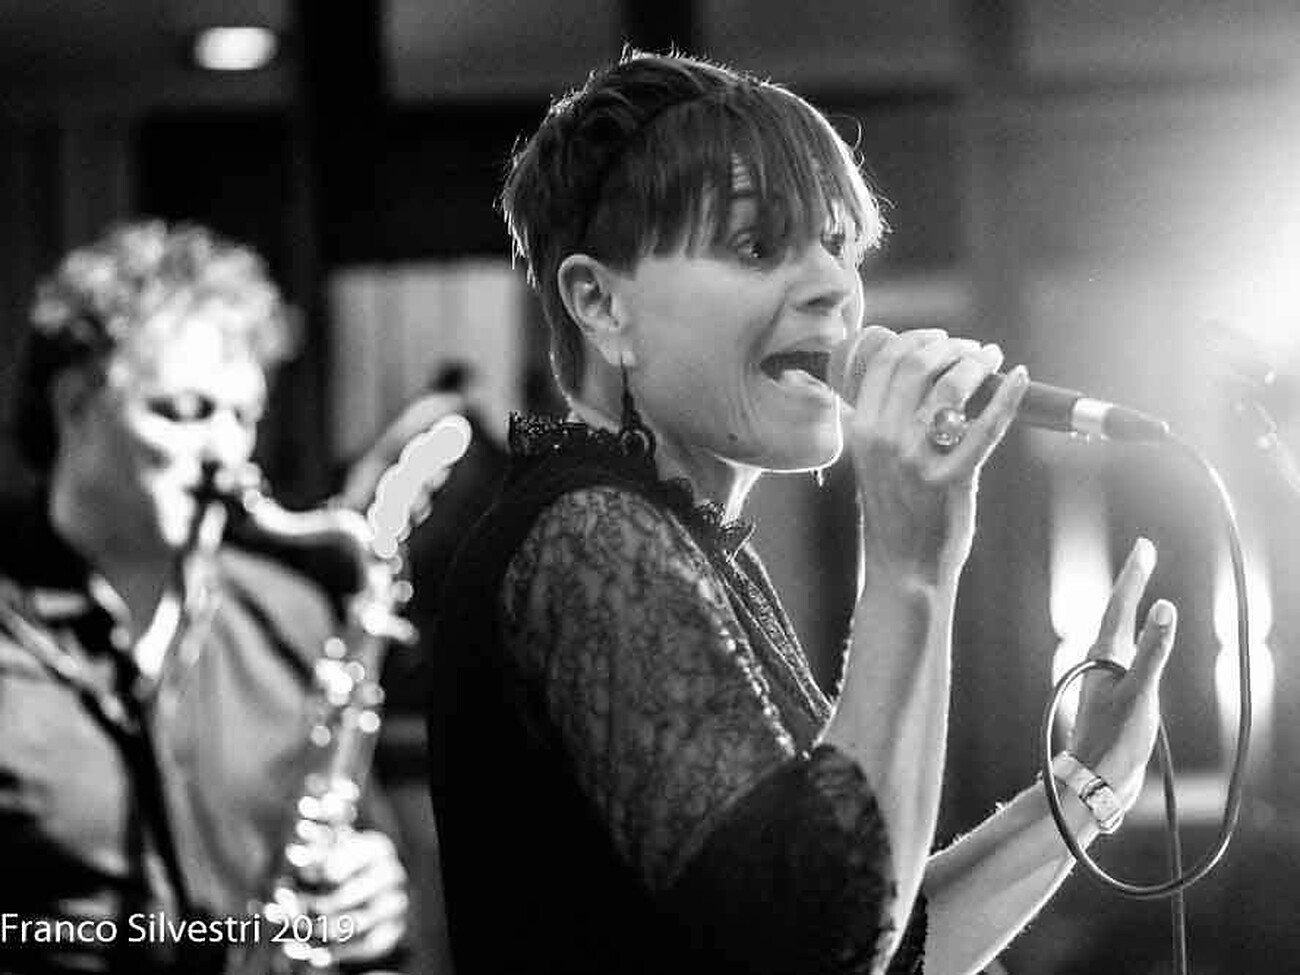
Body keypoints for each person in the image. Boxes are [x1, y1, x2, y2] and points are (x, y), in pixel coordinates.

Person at [426, 50, 1179, 974]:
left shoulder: (686, 541)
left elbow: (888, 942)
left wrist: (1083, 786)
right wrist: (908, 566)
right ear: (600, 302)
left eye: (838, 245)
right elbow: (820, 944)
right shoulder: (588, 534)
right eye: (757, 246)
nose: (835, 286)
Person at [0, 220, 410, 974]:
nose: (228, 453)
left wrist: (371, 904)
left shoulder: (292, 615)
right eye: (185, 412)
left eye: (243, 417)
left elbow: (360, 851)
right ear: (74, 404)